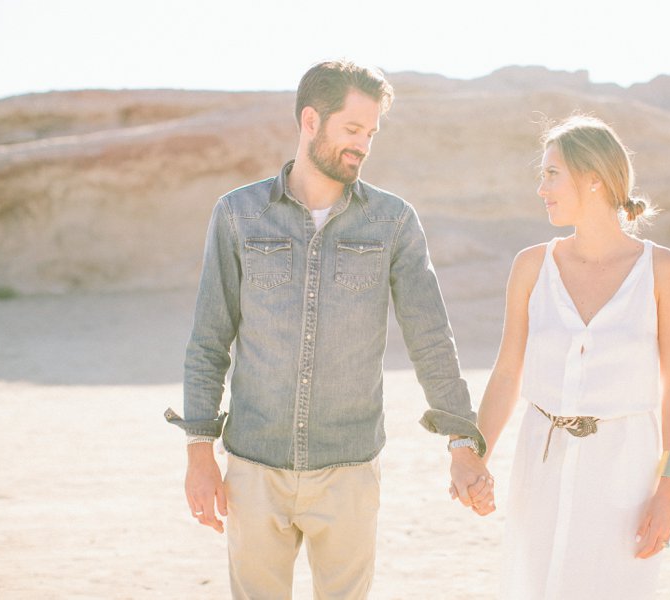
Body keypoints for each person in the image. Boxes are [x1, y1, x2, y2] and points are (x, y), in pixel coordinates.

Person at [164, 59, 495, 599]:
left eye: (370, 134)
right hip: (253, 466)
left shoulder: (392, 221)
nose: (362, 145)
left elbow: (431, 336)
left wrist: (462, 441)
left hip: (349, 470)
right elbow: (208, 340)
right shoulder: (237, 215)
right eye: (352, 129)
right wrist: (199, 455)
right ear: (311, 121)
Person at [474, 115, 670, 598]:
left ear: (593, 178)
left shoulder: (665, 270)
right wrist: (475, 456)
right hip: (542, 464)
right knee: (537, 585)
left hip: (625, 472)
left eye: (552, 173)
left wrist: (667, 489)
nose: (541, 187)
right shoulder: (532, 265)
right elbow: (508, 371)